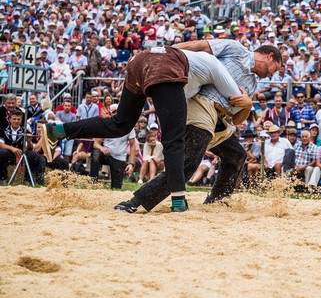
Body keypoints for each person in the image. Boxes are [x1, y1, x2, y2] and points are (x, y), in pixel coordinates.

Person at [41, 45, 251, 212]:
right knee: (173, 139)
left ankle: (58, 130)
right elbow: (236, 105)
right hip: (163, 70)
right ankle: (178, 199)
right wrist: (248, 102)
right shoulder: (215, 66)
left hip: (138, 62)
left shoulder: (192, 58)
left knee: (119, 124)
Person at [0, 109, 43, 185]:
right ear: (10, 119)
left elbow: (29, 148)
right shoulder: (3, 130)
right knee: (2, 152)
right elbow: (1, 144)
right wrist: (12, 148)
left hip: (21, 155)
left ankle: (28, 180)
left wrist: (29, 141)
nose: (16, 121)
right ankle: (2, 178)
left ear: (21, 120)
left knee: (33, 155)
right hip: (9, 155)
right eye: (14, 119)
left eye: (18, 119)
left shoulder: (25, 131)